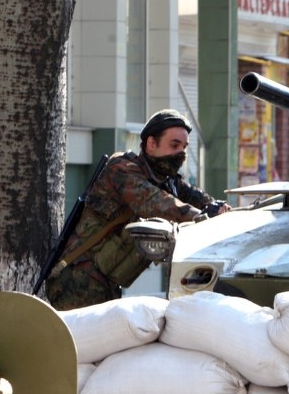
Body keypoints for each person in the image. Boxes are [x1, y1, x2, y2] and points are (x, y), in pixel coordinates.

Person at [45, 108, 231, 310]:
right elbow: (155, 202)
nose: (181, 154)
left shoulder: (166, 180)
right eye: (174, 145)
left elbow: (198, 198)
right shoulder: (122, 169)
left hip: (105, 279)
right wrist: (201, 218)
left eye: (184, 147)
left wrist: (219, 210)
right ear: (151, 143)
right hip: (77, 278)